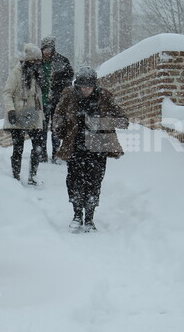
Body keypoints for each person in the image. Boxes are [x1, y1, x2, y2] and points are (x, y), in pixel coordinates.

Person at [53, 66, 130, 232]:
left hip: (98, 147)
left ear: (95, 85)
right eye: (82, 86)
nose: (86, 90)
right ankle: (76, 215)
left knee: (94, 182)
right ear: (77, 85)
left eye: (89, 86)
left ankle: (89, 217)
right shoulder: (69, 96)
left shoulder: (104, 97)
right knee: (74, 181)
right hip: (75, 146)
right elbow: (58, 116)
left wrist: (101, 122)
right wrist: (61, 129)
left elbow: (123, 120)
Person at [3, 43, 46, 185]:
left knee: (38, 145)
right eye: (36, 61)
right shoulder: (16, 73)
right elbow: (7, 93)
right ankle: (16, 175)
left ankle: (33, 175)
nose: (38, 64)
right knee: (18, 148)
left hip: (33, 115)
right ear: (30, 61)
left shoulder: (38, 75)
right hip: (18, 114)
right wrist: (11, 110)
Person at [39, 36, 75, 164]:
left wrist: (60, 89)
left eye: (49, 49)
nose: (47, 52)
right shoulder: (38, 62)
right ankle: (42, 153)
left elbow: (69, 79)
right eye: (45, 49)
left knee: (56, 128)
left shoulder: (63, 61)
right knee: (41, 128)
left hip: (57, 101)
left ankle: (56, 153)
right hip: (42, 102)